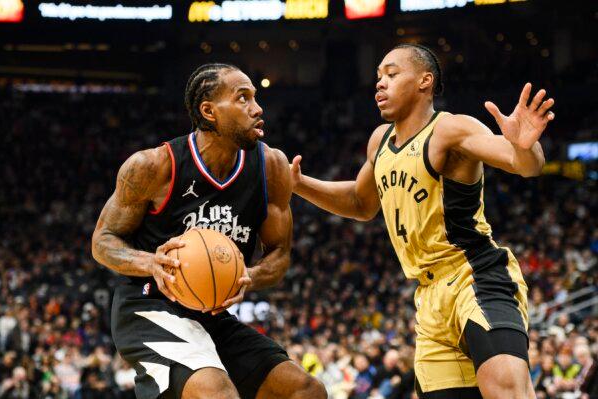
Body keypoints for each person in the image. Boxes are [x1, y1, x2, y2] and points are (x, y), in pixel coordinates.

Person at [290, 44, 555, 398]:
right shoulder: (379, 142)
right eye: (378, 77)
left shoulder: (451, 129)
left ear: (424, 81)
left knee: (506, 389)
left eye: (392, 74)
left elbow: (523, 164)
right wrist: (300, 184)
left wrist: (525, 146)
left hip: (475, 277)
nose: (380, 84)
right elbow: (360, 202)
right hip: (428, 299)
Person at [92, 63, 326, 399]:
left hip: (209, 312)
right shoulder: (153, 166)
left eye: (255, 98)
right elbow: (103, 241)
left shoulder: (271, 166)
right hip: (148, 307)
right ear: (209, 111)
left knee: (305, 391)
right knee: (216, 393)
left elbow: (280, 254)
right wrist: (151, 263)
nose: (257, 109)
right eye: (242, 98)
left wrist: (249, 276)